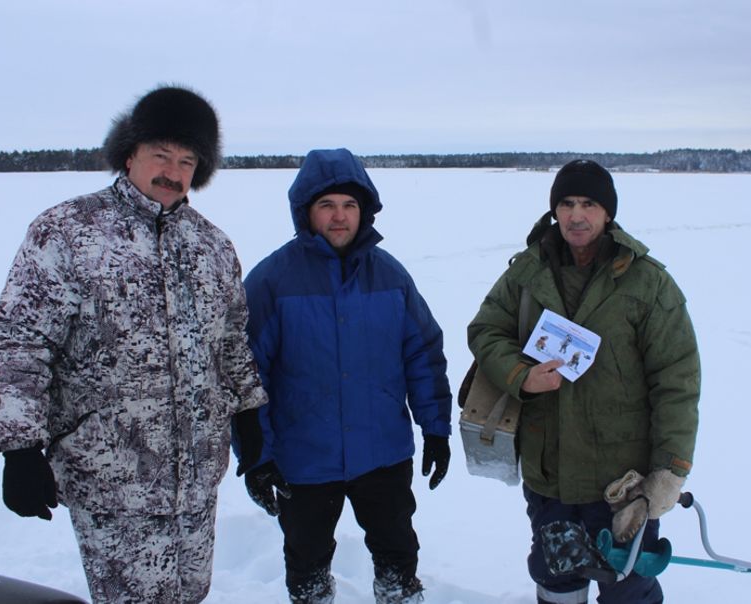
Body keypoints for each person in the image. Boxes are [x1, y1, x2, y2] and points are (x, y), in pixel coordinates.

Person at [0, 85, 269, 603]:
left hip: (197, 478)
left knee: (189, 596)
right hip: (112, 480)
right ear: (130, 153)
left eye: (187, 160)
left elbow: (230, 343)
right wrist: (19, 446)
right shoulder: (67, 231)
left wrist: (249, 415)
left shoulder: (212, 245)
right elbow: (21, 342)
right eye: (160, 154)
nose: (173, 171)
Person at [467, 160, 700, 604]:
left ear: (607, 213)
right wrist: (521, 375)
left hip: (621, 485)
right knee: (557, 580)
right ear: (555, 210)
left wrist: (671, 469)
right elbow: (484, 330)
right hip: (549, 475)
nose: (577, 215)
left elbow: (677, 379)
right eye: (567, 203)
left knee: (628, 585)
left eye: (589, 204)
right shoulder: (527, 273)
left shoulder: (648, 283)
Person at [233, 148, 452, 604]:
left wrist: (436, 428)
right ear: (306, 212)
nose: (339, 217)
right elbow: (244, 374)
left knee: (397, 554)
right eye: (327, 205)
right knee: (307, 563)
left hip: (383, 454)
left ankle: (399, 596)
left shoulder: (390, 276)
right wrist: (256, 454)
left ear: (364, 210)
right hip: (303, 462)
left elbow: (423, 353)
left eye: (349, 205)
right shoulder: (273, 281)